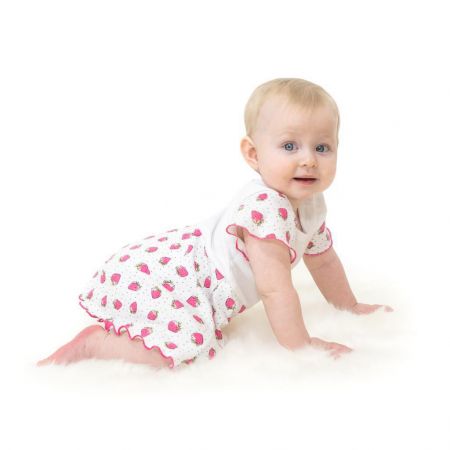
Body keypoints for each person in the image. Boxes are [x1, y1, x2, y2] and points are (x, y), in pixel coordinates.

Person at [36, 77, 393, 371]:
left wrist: (349, 305)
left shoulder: (311, 203)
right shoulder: (265, 209)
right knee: (182, 349)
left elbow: (323, 259)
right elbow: (276, 291)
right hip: (176, 279)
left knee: (193, 342)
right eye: (289, 146)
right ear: (253, 154)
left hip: (187, 267)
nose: (309, 160)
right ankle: (96, 344)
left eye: (322, 148)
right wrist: (302, 345)